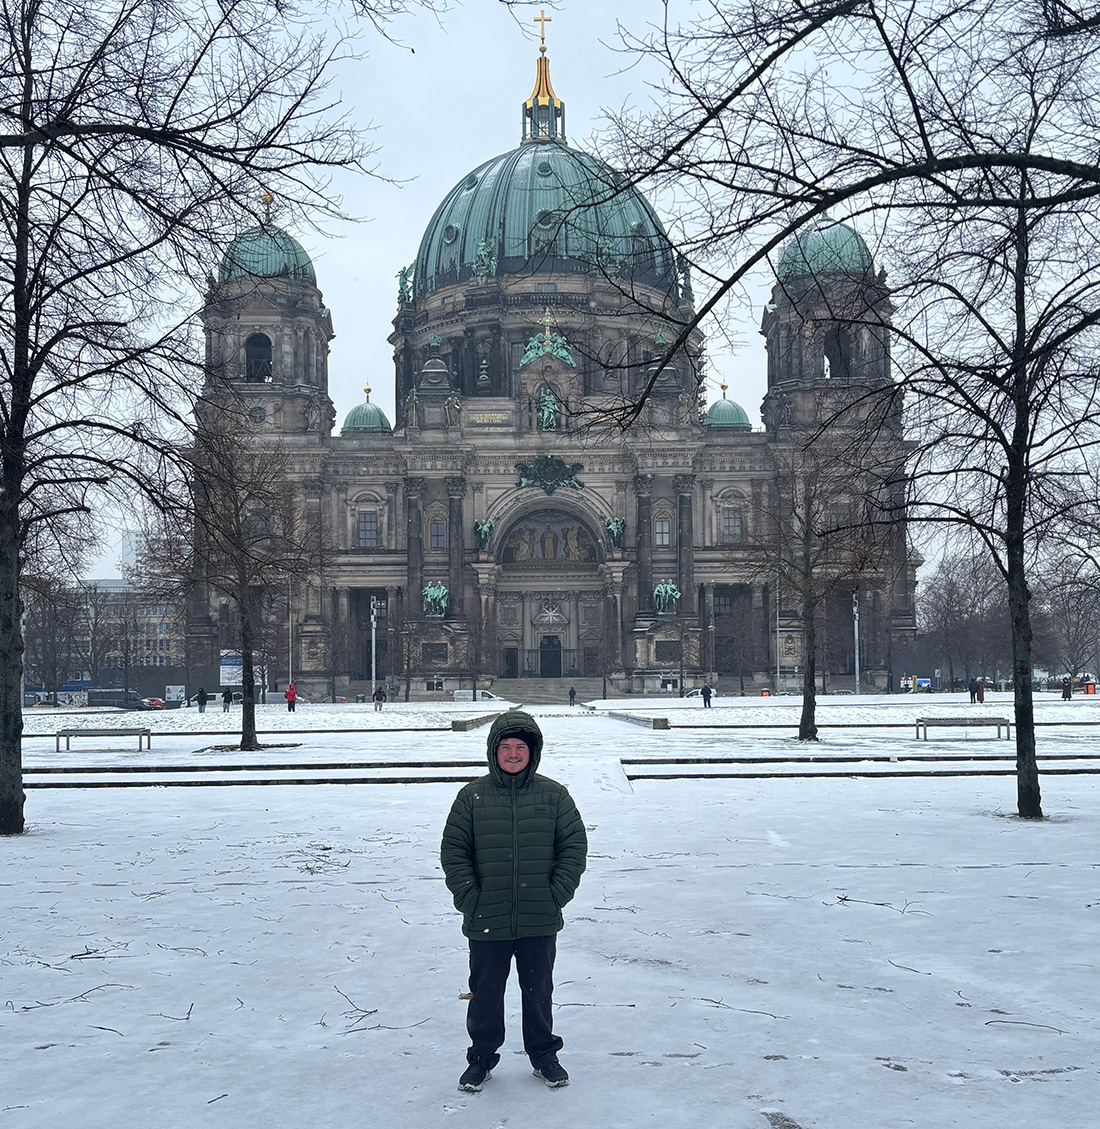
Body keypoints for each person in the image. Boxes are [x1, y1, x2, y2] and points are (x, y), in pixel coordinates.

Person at [441, 710, 587, 1093]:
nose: (513, 753)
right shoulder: (471, 797)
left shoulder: (554, 795)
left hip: (539, 916)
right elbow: (454, 853)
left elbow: (573, 849)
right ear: (494, 751)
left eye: (520, 747)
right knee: (485, 993)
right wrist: (470, 900)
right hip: (487, 916)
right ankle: (481, 1059)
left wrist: (556, 894)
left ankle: (544, 1056)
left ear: (532, 751)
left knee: (539, 992)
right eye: (505, 747)